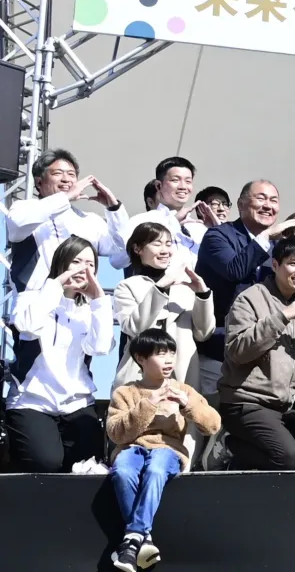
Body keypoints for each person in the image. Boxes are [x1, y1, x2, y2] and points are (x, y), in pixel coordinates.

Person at [218, 236, 295, 470]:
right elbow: (238, 351)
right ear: (275, 265)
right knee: (287, 457)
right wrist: (283, 317)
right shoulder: (250, 298)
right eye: (293, 263)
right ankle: (230, 447)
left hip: (283, 408)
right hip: (245, 402)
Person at [106, 329, 221, 572]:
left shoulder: (183, 390)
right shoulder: (124, 393)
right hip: (132, 448)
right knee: (122, 471)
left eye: (171, 354)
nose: (169, 360)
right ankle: (143, 539)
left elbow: (213, 425)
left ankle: (132, 539)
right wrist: (149, 403)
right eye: (160, 354)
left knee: (156, 469)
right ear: (141, 358)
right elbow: (115, 433)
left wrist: (187, 405)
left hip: (168, 449)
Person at [5, 236, 113, 472]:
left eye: (90, 264)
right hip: (32, 400)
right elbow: (28, 326)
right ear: (61, 262)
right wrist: (55, 287)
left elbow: (101, 347)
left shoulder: (91, 309)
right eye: (76, 261)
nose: (83, 269)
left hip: (77, 402)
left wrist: (99, 300)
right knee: (45, 462)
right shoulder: (31, 297)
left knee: (87, 465)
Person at [112, 223, 215, 465]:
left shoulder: (184, 288)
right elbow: (135, 328)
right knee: (135, 438)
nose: (165, 250)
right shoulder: (127, 286)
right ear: (138, 249)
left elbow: (204, 333)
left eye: (169, 243)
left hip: (183, 370)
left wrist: (202, 294)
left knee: (186, 435)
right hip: (140, 374)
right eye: (157, 243)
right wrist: (161, 288)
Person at [195, 180, 295, 394]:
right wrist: (265, 237)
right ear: (241, 204)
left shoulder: (278, 246)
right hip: (221, 346)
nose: (268, 205)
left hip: (268, 346)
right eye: (261, 198)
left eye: (273, 200)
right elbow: (235, 271)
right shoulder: (218, 235)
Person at [6, 148, 128, 293]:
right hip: (36, 300)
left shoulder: (89, 219)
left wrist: (114, 208)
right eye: (57, 173)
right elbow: (18, 223)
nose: (66, 179)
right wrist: (66, 197)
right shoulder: (24, 209)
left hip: (80, 300)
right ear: (39, 182)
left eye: (71, 174)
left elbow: (121, 251)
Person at [118, 156, 215, 272]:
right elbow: (118, 260)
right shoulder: (141, 221)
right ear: (159, 186)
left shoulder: (198, 228)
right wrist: (171, 224)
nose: (183, 187)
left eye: (188, 181)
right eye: (175, 180)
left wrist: (220, 231)